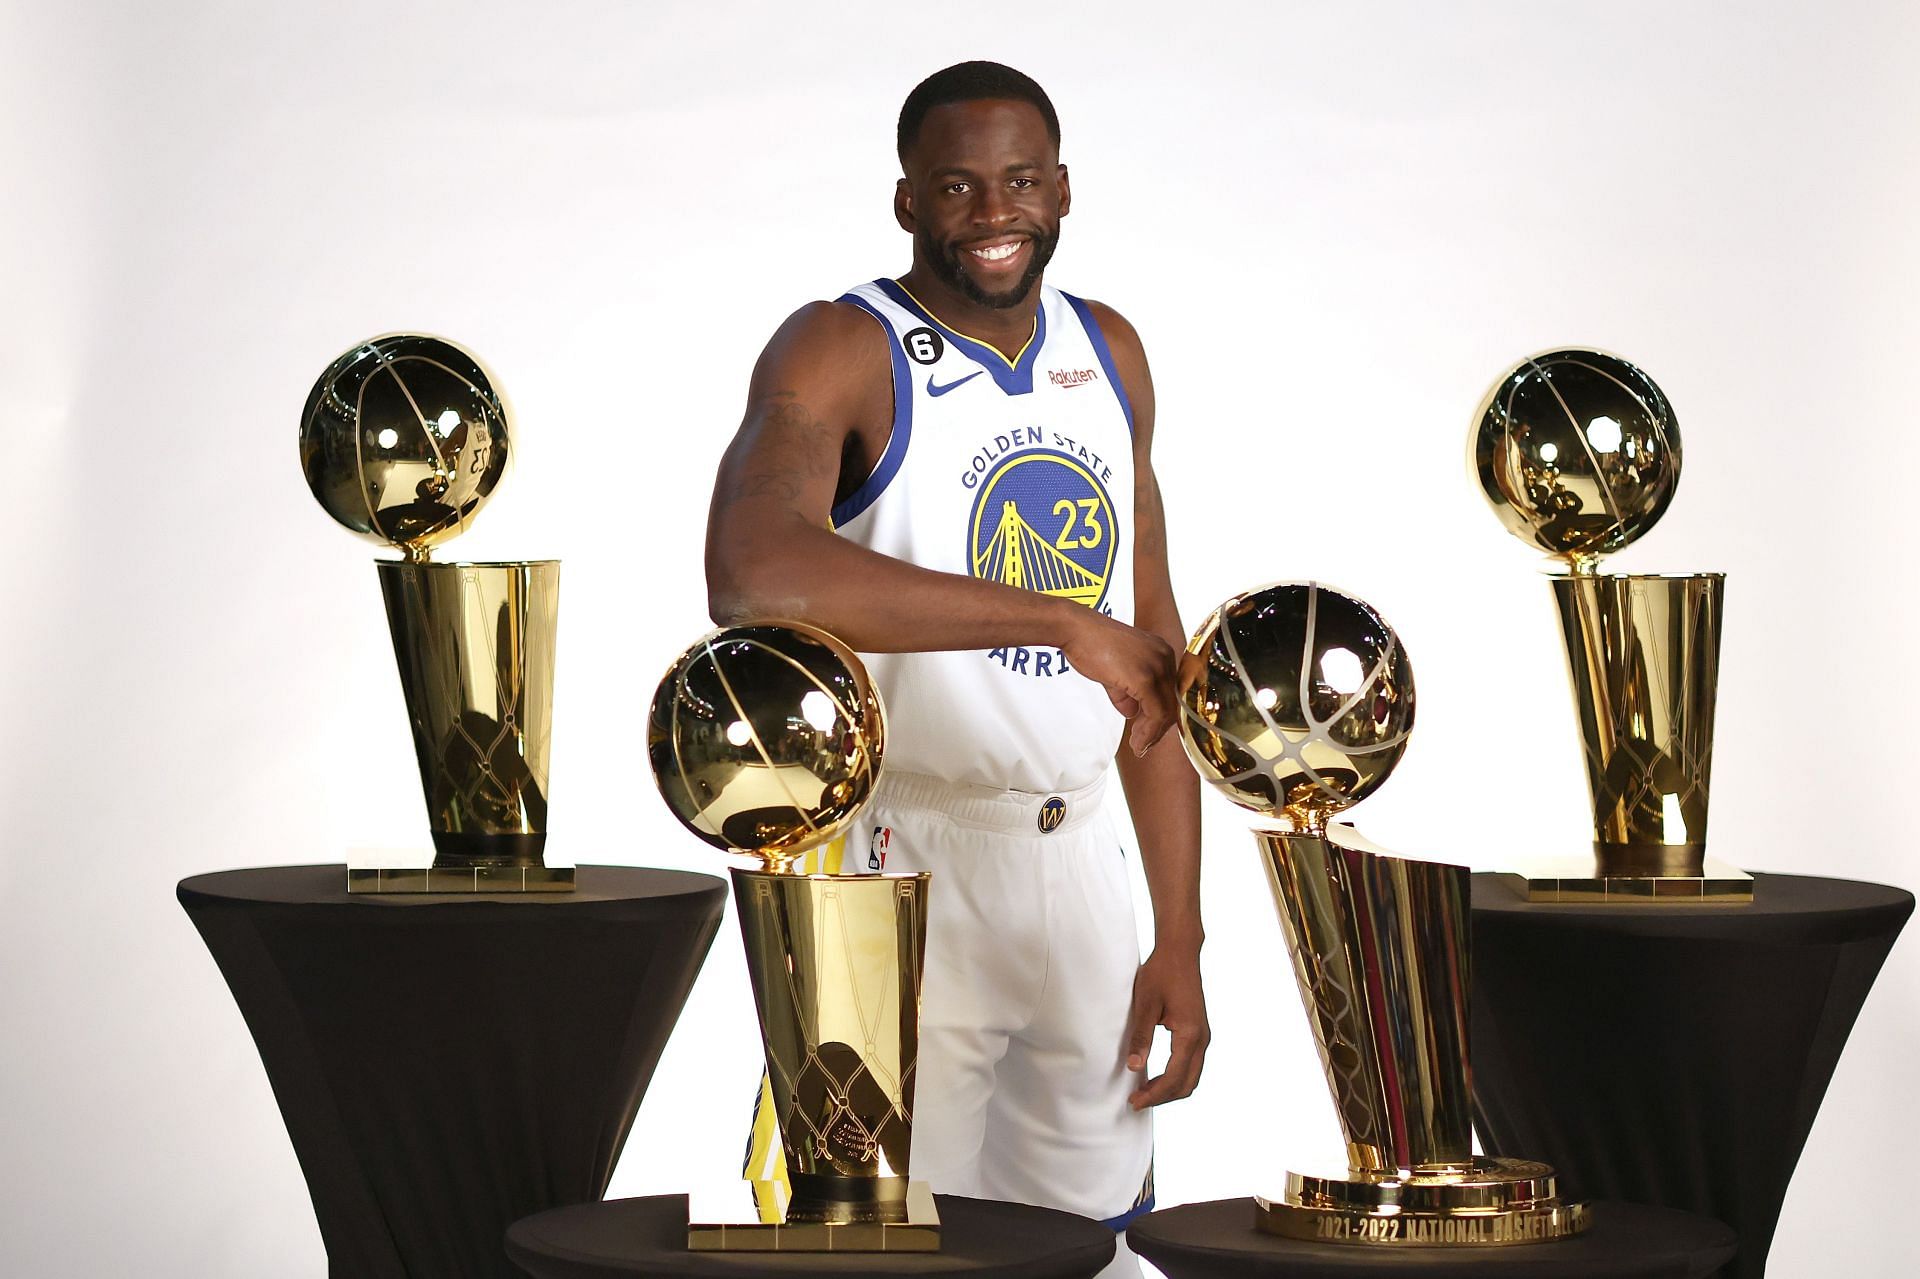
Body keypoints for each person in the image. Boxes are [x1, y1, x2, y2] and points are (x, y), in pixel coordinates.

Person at [704, 60, 1206, 1274]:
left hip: (1085, 861)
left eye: (1021, 180)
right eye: (959, 186)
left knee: (1090, 1243)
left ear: (1064, 188)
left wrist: (1180, 935)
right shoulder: (845, 345)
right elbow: (751, 573)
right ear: (907, 201)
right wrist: (1045, 616)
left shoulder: (1112, 352)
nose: (994, 212)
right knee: (893, 1245)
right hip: (906, 856)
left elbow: (1153, 664)